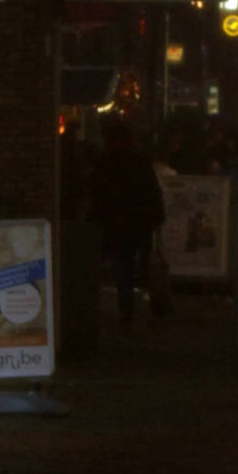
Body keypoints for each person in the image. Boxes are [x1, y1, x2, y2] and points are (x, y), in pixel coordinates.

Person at [90, 118, 166, 334]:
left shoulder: (106, 162)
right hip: (138, 224)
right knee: (135, 264)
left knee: (119, 267)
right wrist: (156, 218)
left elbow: (99, 194)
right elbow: (153, 192)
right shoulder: (140, 162)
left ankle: (123, 307)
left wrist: (94, 217)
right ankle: (137, 304)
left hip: (114, 224)